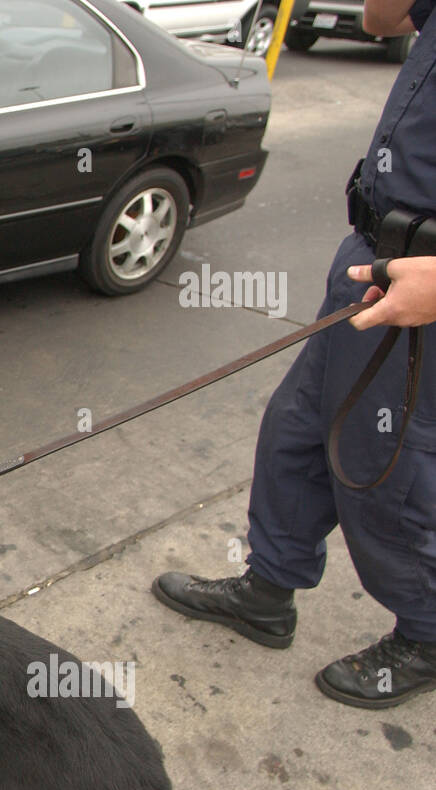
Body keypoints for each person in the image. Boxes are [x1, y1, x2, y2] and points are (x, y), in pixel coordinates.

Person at [152, 0, 436, 708]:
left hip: (424, 287)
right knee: (298, 430)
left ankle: (427, 633)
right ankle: (268, 591)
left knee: (381, 469)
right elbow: (380, 21)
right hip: (371, 255)